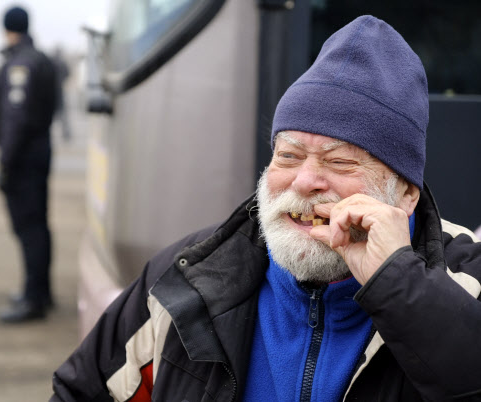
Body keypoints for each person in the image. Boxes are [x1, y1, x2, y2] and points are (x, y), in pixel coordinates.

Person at [50, 15, 481, 401]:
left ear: (406, 194)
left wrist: (397, 282)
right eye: (288, 156)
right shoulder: (188, 277)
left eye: (340, 161)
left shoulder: (466, 280)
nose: (304, 181)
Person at [0, 6, 57, 323]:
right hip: (39, 151)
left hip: (23, 157)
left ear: (7, 28)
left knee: (29, 229)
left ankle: (33, 300)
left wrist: (5, 163)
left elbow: (15, 118)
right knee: (39, 226)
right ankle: (40, 291)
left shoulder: (21, 63)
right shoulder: (41, 59)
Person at [51, 46, 72, 142]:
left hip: (53, 91)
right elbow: (67, 74)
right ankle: (66, 134)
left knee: (55, 115)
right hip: (59, 90)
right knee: (63, 116)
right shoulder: (61, 63)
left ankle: (65, 134)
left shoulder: (51, 62)